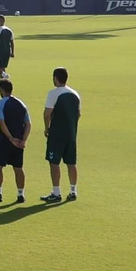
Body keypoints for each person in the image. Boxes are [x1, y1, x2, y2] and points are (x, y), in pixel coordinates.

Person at [0, 78, 31, 206]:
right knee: (18, 167)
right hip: (19, 140)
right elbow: (28, 124)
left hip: (5, 140)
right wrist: (23, 140)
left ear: (1, 90)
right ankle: (21, 194)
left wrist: (10, 138)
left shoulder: (0, 104)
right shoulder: (22, 104)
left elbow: (1, 122)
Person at [41, 67, 81, 203]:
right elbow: (78, 114)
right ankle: (73, 190)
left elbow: (47, 113)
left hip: (57, 134)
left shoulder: (53, 93)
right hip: (71, 133)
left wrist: (47, 128)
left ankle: (56, 192)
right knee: (71, 162)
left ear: (55, 78)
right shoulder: (75, 94)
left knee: (54, 162)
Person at [0, 15, 16, 80]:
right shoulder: (9, 30)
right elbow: (12, 42)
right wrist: (12, 52)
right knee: (2, 67)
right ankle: (3, 81)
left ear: (1, 21)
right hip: (7, 51)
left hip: (0, 50)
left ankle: (3, 76)